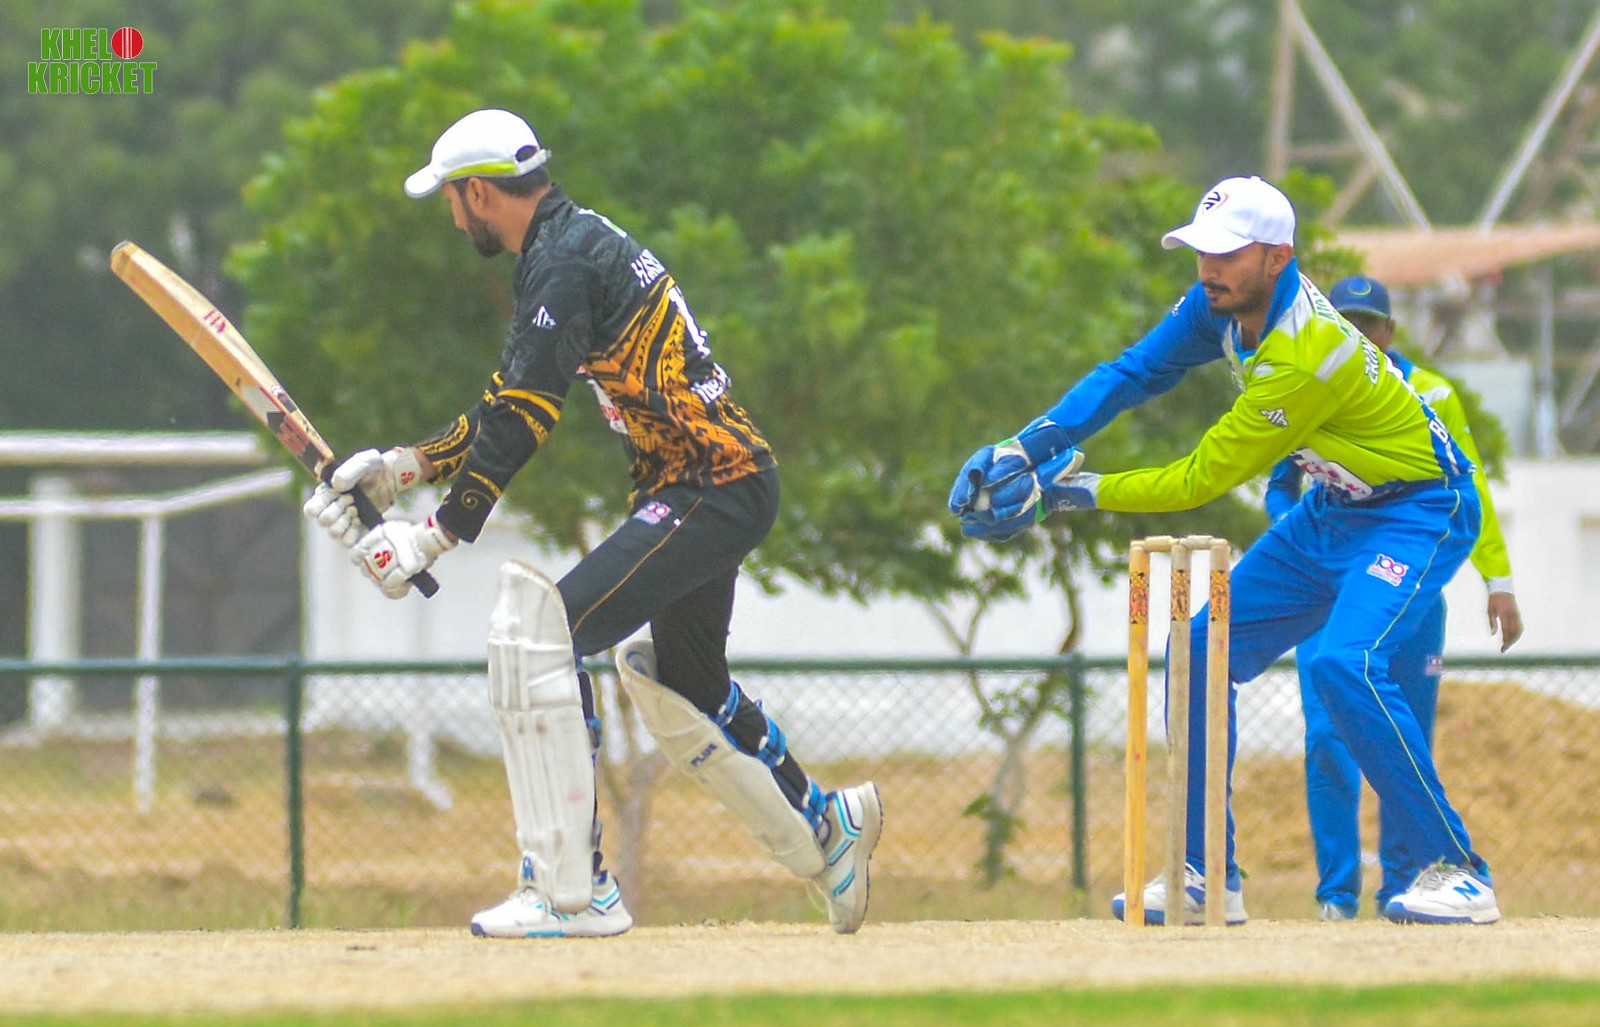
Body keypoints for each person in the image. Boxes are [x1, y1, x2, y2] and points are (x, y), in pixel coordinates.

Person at [303, 108, 881, 938]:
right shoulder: (566, 245)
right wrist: (405, 466)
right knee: (682, 677)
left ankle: (572, 891)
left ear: (477, 193)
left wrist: (433, 536)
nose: (452, 217)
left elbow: (526, 416)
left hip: (708, 485)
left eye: (450, 200)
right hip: (718, 481)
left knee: (545, 637)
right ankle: (829, 825)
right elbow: (509, 398)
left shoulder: (562, 262)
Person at [949, 175, 1501, 925]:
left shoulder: (1304, 355)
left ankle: (1459, 869)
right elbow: (1133, 372)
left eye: (1228, 254)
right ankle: (1205, 872)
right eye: (1201, 250)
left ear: (1277, 257)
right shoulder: (1218, 304)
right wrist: (1026, 446)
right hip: (1333, 509)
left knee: (1345, 663)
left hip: (1420, 509)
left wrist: (1064, 495)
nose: (1208, 268)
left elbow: (1199, 478)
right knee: (1197, 650)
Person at [1266, 274, 1523, 920]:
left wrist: (1497, 580)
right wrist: (1297, 546)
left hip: (1408, 587)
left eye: (1367, 323)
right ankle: (1336, 894)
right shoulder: (1306, 384)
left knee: (1400, 734)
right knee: (1329, 736)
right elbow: (1280, 484)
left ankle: (1408, 884)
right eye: (1344, 321)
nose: (1356, 333)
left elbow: (1467, 487)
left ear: (1389, 331)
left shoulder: (1431, 393)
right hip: (1328, 586)